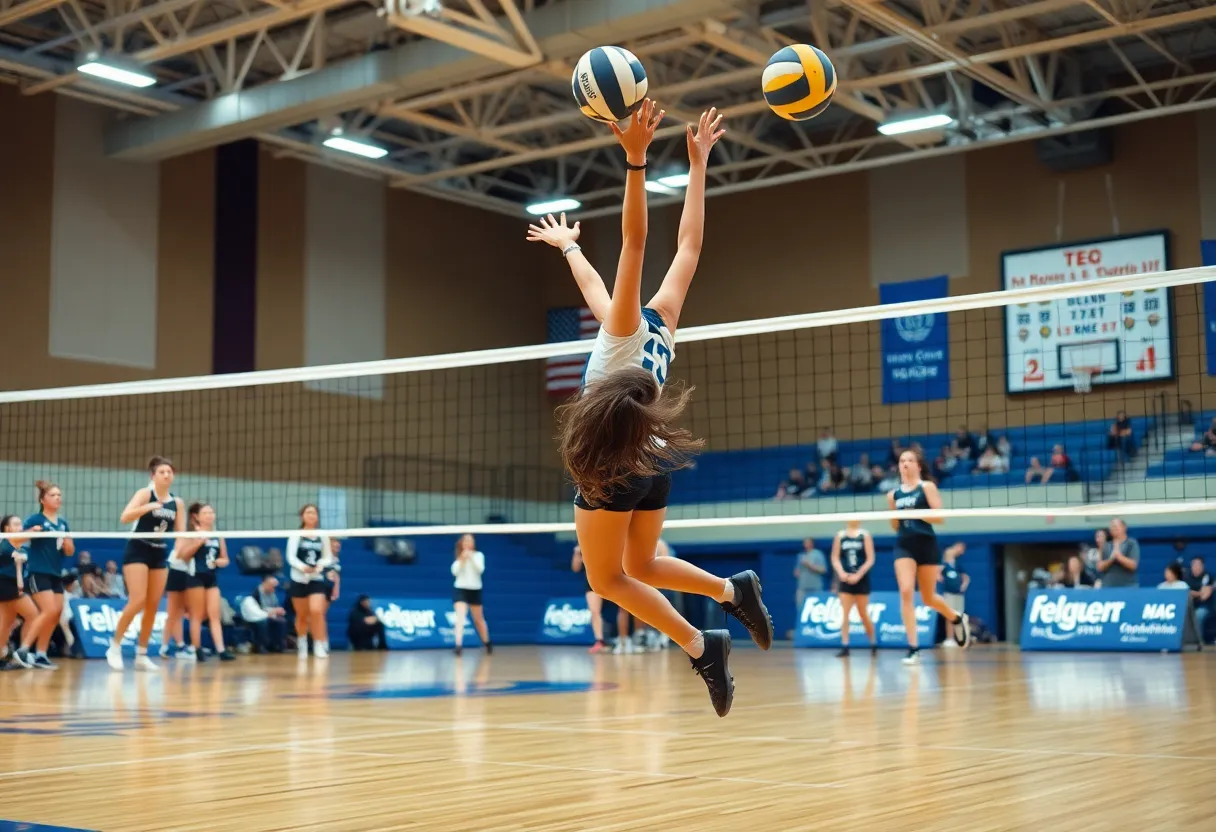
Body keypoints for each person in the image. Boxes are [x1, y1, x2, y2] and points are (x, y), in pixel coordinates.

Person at [528, 102, 772, 718]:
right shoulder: (662, 319)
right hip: (652, 457)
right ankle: (730, 590)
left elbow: (633, 242)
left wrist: (636, 160)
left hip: (611, 460)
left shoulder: (621, 327)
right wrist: (698, 165)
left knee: (606, 579)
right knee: (640, 563)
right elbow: (687, 245)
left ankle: (700, 642)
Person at [887, 449, 970, 664]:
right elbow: (895, 525)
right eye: (902, 460)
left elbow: (940, 517)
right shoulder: (893, 495)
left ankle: (956, 618)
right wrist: (898, 517)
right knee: (906, 591)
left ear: (918, 466)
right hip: (904, 545)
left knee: (928, 598)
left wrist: (916, 514)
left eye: (909, 460)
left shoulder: (927, 487)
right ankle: (913, 648)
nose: (905, 463)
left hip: (926, 544)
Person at [107, 457, 185, 672]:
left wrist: (177, 553)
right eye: (162, 472)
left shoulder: (177, 503)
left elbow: (181, 533)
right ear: (153, 476)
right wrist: (149, 507)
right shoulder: (145, 494)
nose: (166, 475)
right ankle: (115, 646)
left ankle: (141, 654)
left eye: (169, 472)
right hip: (138, 549)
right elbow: (125, 517)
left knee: (153, 604)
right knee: (138, 599)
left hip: (159, 552)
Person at [15, 480, 75, 669]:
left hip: (55, 573)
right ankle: (23, 650)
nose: (57, 498)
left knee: (56, 613)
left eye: (59, 495)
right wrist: (31, 532)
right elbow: (16, 540)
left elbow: (70, 552)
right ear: (42, 500)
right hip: (38, 572)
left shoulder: (63, 523)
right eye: (53, 495)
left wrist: (68, 545)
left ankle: (41, 654)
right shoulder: (35, 519)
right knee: (48, 610)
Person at [175, 503, 235, 662]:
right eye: (205, 513)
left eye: (211, 512)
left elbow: (225, 558)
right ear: (197, 517)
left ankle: (221, 650)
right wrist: (199, 542)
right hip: (195, 577)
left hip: (211, 577)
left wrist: (221, 562)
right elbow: (182, 556)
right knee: (197, 615)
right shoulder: (191, 534)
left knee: (215, 615)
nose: (209, 515)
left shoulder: (218, 536)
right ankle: (197, 649)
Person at [286, 503, 334, 659]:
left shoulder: (322, 535)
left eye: (314, 513)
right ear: (302, 516)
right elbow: (291, 557)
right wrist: (303, 567)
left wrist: (320, 565)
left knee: (317, 611)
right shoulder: (296, 535)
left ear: (317, 516)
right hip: (298, 579)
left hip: (316, 579)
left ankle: (319, 644)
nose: (311, 515)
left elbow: (328, 557)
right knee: (301, 615)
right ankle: (302, 643)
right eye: (308, 512)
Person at [830, 520, 876, 658]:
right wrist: (841, 573)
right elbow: (835, 558)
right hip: (845, 579)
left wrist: (859, 575)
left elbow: (870, 559)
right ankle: (845, 646)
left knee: (863, 613)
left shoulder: (864, 535)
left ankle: (873, 643)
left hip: (861, 579)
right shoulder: (840, 536)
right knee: (845, 614)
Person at [0, 515, 41, 670]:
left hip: (8, 585)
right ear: (7, 529)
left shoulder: (18, 547)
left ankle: (1, 656)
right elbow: (24, 537)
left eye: (20, 524)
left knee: (6, 622)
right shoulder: (6, 543)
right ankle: (21, 653)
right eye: (16, 524)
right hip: (5, 585)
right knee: (33, 615)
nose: (20, 527)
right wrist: (34, 529)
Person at [452, 533, 493, 657]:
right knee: (460, 617)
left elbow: (480, 570)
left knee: (478, 620)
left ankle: (487, 642)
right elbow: (454, 572)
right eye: (466, 541)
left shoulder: (479, 555)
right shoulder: (459, 557)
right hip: (461, 589)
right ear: (462, 543)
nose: (468, 543)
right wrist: (462, 560)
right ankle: (458, 646)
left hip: (475, 590)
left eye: (470, 541)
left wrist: (471, 558)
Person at [161, 527, 194, 659]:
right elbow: (180, 554)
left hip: (186, 574)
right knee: (173, 614)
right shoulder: (184, 537)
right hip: (177, 573)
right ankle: (165, 646)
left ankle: (179, 646)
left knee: (179, 614)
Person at [571, 545, 608, 653]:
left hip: (611, 580)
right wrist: (577, 553)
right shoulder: (584, 545)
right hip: (592, 583)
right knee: (594, 611)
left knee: (624, 609)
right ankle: (600, 641)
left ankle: (624, 640)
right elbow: (575, 568)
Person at [240, 576, 287, 653]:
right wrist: (273, 611)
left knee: (281, 621)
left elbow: (274, 606)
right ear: (265, 584)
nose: (274, 589)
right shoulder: (254, 594)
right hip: (254, 617)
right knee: (262, 622)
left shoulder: (272, 593)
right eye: (273, 586)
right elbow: (256, 609)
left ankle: (277, 645)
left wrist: (278, 611)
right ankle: (261, 646)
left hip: (268, 615)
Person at [939, 543, 969, 647]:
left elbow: (966, 577)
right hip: (949, 593)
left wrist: (963, 586)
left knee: (959, 616)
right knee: (949, 615)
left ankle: (961, 639)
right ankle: (949, 638)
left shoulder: (958, 565)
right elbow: (937, 574)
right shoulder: (944, 566)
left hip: (958, 594)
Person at [1096, 518, 1139, 587]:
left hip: (1128, 587)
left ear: (1124, 528)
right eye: (1112, 527)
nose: (1113, 528)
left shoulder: (1131, 543)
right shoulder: (1106, 546)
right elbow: (1099, 567)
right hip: (1108, 587)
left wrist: (1119, 557)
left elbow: (1133, 565)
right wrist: (1111, 559)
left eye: (1115, 526)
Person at [794, 538, 827, 616]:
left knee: (816, 611)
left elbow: (823, 570)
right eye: (804, 543)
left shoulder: (818, 554)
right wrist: (797, 572)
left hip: (815, 588)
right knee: (801, 610)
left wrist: (809, 565)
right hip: (802, 588)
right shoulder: (801, 556)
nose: (805, 544)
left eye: (807, 542)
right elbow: (797, 571)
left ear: (812, 543)